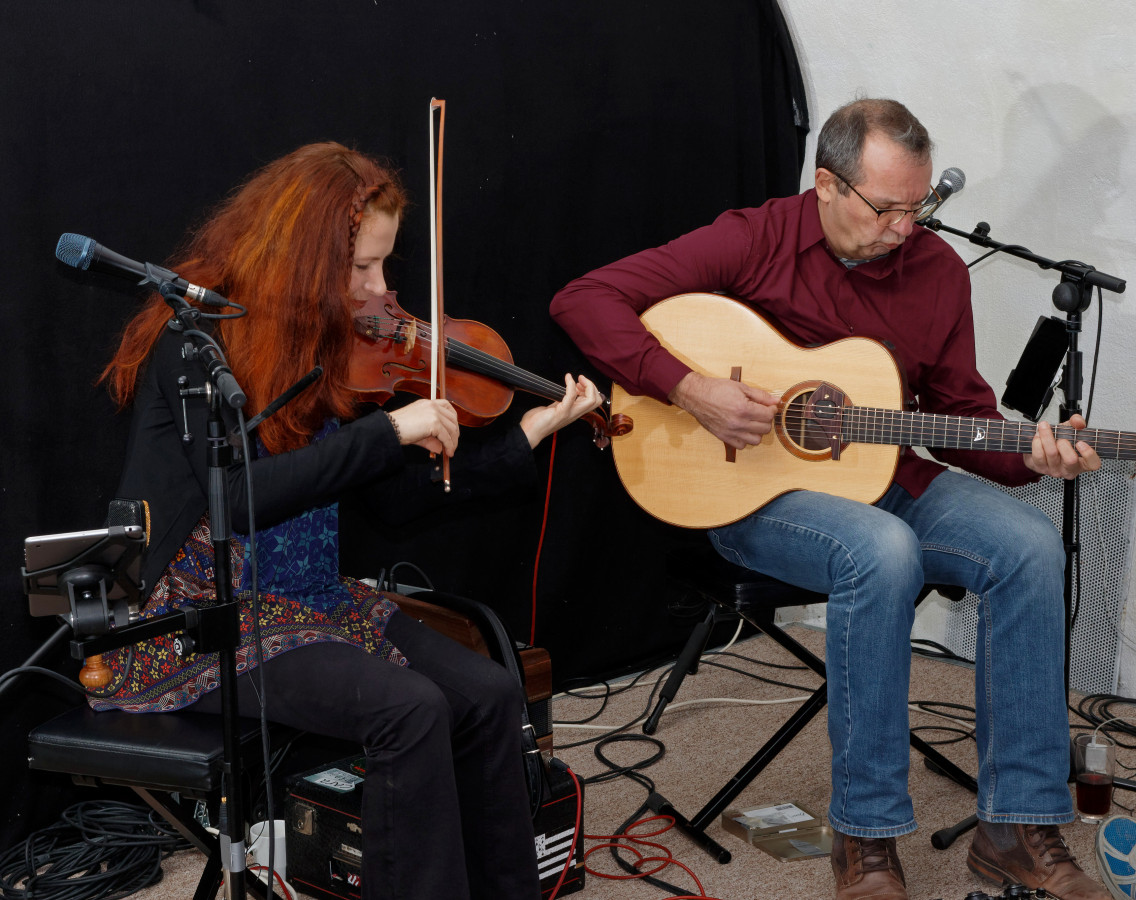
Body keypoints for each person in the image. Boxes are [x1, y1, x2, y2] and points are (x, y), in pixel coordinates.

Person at [550, 98, 1107, 900]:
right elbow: (583, 299)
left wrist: (1033, 458)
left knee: (1028, 546)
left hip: (885, 479)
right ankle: (866, 836)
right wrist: (689, 387)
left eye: (919, 207)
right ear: (827, 185)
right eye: (885, 209)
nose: (904, 229)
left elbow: (959, 419)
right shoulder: (755, 238)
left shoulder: (937, 272)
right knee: (881, 550)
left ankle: (1015, 829)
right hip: (750, 495)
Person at [91, 142, 602, 900]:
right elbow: (241, 497)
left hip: (311, 603)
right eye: (362, 266)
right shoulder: (196, 343)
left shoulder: (336, 346)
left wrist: (522, 437)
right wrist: (388, 432)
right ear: (303, 259)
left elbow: (393, 502)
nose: (381, 289)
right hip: (200, 619)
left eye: (385, 265)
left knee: (490, 692)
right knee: (409, 710)